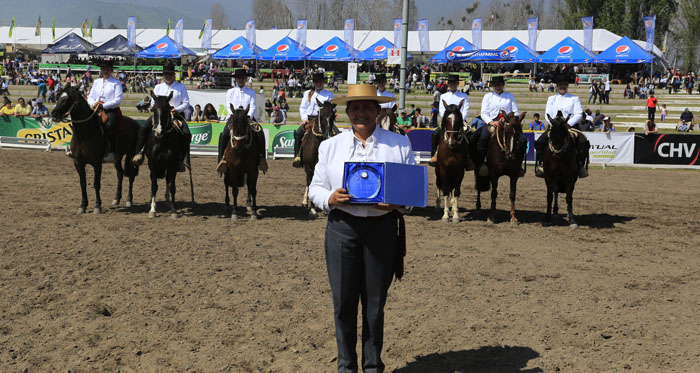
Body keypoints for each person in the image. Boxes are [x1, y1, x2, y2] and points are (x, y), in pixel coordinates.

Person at [308, 84, 413, 373]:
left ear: (378, 111)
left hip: (382, 229)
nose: (361, 113)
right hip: (342, 228)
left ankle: (372, 366)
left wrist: (397, 203)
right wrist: (329, 198)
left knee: (375, 305)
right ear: (347, 112)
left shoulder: (399, 144)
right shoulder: (330, 146)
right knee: (343, 303)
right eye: (355, 108)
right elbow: (315, 188)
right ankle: (346, 367)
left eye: (368, 107)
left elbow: (412, 196)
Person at [132, 62, 191, 170]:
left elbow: (186, 103)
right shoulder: (158, 87)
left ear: (174, 75)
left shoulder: (181, 86)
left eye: (170, 74)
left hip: (175, 114)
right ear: (163, 75)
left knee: (187, 133)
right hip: (159, 115)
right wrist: (154, 108)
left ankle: (181, 159)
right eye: (166, 74)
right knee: (143, 129)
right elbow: (153, 102)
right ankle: (139, 153)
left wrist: (176, 109)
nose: (168, 76)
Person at [535, 74, 589, 178]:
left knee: (583, 142)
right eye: (560, 84)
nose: (562, 86)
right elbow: (547, 114)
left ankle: (580, 165)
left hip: (570, 127)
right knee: (539, 142)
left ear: (567, 85)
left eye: (564, 84)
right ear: (557, 86)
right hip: (554, 127)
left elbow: (578, 114)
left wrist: (567, 124)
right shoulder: (551, 99)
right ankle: (542, 164)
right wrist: (554, 125)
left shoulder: (574, 98)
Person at [217, 68, 268, 174]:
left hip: (247, 118)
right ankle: (221, 160)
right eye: (238, 78)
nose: (240, 79)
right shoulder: (230, 91)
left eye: (242, 78)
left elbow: (253, 106)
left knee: (260, 132)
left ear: (245, 79)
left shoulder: (251, 92)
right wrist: (233, 115)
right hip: (234, 118)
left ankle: (262, 158)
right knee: (224, 134)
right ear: (235, 79)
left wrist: (248, 116)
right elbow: (228, 105)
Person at [476, 75, 525, 176]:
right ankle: (481, 163)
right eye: (496, 85)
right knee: (483, 137)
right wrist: (491, 121)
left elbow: (515, 112)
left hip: (508, 122)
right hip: (492, 122)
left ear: (503, 85)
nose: (498, 87)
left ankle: (518, 164)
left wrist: (507, 118)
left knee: (521, 140)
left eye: (500, 85)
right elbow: (484, 113)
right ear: (493, 86)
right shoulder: (487, 96)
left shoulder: (510, 96)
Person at [293, 72, 335, 167]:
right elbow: (303, 107)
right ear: (314, 83)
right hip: (310, 120)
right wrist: (304, 119)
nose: (318, 84)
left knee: (336, 134)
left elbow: (333, 108)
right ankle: (298, 156)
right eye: (316, 82)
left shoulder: (329, 95)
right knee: (298, 133)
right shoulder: (307, 93)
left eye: (320, 82)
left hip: (324, 120)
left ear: (323, 82)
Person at [86, 59, 122, 160]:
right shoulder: (96, 82)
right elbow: (90, 96)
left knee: (110, 126)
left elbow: (118, 100)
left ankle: (111, 151)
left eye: (107, 69)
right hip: (96, 108)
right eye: (103, 69)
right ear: (101, 70)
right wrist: (94, 103)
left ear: (111, 70)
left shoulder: (116, 82)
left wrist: (104, 106)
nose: (105, 71)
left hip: (110, 109)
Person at [429, 74, 468, 166]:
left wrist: (460, 120)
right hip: (447, 122)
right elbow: (442, 110)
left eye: (454, 83)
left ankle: (469, 158)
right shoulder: (443, 96)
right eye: (451, 83)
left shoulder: (463, 96)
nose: (453, 85)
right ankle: (434, 156)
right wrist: (447, 120)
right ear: (448, 84)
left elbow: (465, 110)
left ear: (458, 84)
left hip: (460, 122)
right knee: (435, 135)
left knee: (470, 136)